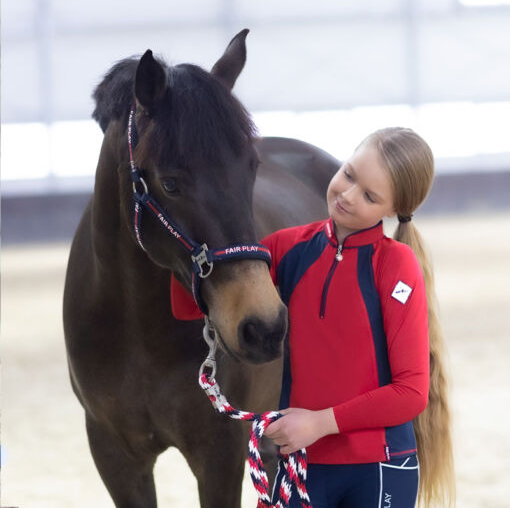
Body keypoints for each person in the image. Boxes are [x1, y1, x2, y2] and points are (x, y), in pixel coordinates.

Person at [171, 127, 455, 507]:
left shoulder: (395, 264)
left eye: (369, 196)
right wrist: (183, 233)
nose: (348, 196)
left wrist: (318, 424)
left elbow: (411, 393)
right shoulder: (288, 247)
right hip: (301, 465)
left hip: (378, 469)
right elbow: (187, 306)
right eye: (349, 175)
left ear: (392, 209)